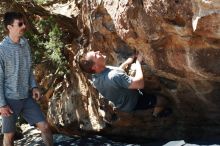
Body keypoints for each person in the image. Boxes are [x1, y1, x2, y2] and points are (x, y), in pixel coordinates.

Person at [0, 11, 53, 146]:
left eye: (24, 23)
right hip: (9, 100)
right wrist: (2, 104)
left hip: (26, 97)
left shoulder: (25, 44)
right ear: (9, 27)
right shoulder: (1, 49)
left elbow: (29, 69)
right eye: (20, 24)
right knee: (9, 136)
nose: (24, 26)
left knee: (45, 127)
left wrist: (34, 86)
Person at [79, 50, 171, 116]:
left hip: (123, 102)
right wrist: (138, 63)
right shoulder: (114, 75)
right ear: (95, 66)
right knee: (163, 100)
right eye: (95, 55)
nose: (98, 51)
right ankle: (156, 113)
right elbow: (139, 84)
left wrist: (127, 61)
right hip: (133, 102)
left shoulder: (95, 76)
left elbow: (114, 74)